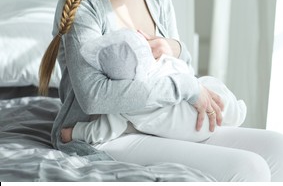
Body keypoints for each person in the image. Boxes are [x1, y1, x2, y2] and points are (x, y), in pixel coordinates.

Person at [39, 0, 283, 182]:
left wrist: (175, 47)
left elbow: (182, 68)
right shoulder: (86, 3)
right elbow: (94, 98)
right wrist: (185, 89)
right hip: (107, 133)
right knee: (249, 168)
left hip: (161, 120)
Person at [60, 29, 247, 144]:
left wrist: (75, 133)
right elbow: (186, 71)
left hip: (190, 132)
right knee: (213, 88)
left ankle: (235, 111)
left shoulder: (121, 104)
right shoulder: (161, 65)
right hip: (199, 117)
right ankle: (237, 111)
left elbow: (103, 130)